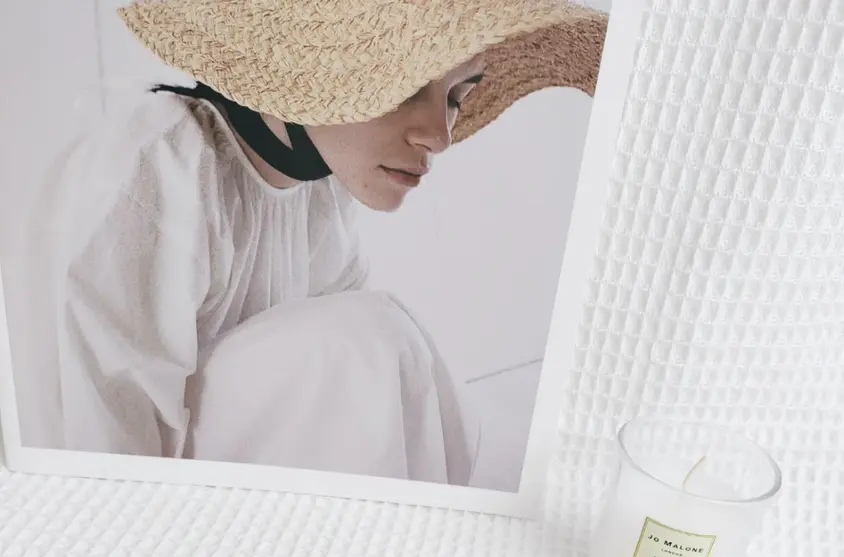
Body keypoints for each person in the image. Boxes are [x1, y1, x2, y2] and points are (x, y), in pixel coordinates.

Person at [27, 0, 607, 484]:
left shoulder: (320, 194)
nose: (441, 135)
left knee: (386, 342)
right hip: (131, 521)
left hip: (239, 505)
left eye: (455, 96)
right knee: (364, 344)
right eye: (410, 86)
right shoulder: (150, 168)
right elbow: (91, 441)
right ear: (317, 70)